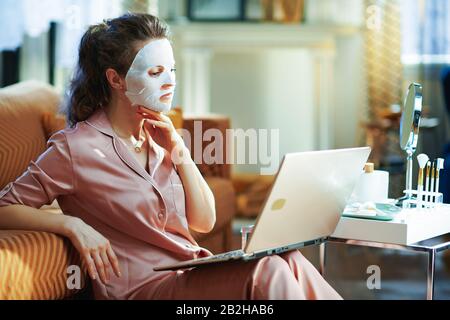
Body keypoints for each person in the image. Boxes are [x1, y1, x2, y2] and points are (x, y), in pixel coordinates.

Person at [0, 13, 341, 300]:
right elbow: (4, 206)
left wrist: (179, 152)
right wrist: (70, 223)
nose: (169, 83)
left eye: (172, 71)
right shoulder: (74, 148)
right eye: (154, 72)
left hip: (192, 269)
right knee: (266, 271)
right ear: (115, 79)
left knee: (290, 258)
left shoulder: (159, 137)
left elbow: (203, 222)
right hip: (144, 289)